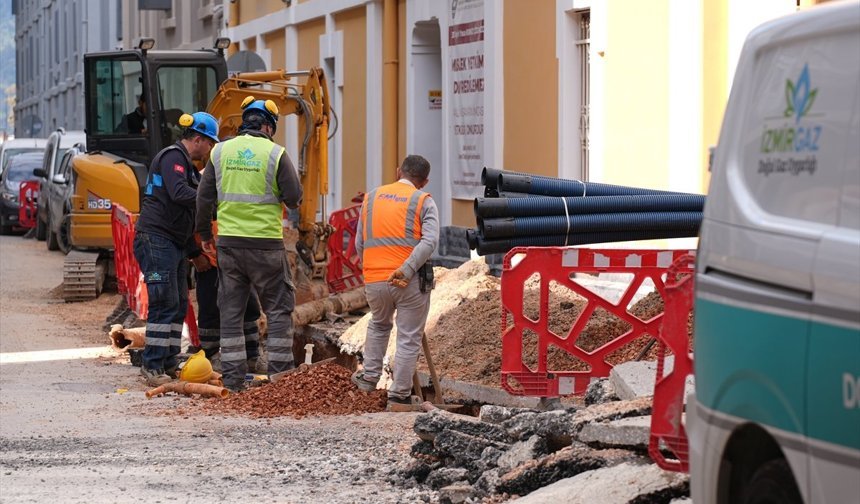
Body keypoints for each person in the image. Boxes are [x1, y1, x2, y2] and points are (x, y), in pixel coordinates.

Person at [196, 96, 302, 392]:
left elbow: (203, 199)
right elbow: (294, 198)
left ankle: (232, 381)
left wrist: (204, 235)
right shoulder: (276, 153)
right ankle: (280, 380)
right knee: (278, 310)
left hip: (229, 245)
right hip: (266, 246)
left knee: (231, 313)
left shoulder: (220, 152)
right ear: (268, 127)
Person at [133, 111, 220, 386]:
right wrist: (210, 199)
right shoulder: (173, 158)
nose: (210, 149)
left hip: (171, 242)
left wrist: (194, 253)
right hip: (156, 240)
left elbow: (182, 219)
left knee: (179, 303)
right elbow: (179, 193)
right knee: (164, 302)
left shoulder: (187, 166)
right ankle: (152, 365)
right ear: (198, 139)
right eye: (210, 143)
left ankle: (168, 361)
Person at [350, 155, 439, 409]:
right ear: (424, 181)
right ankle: (399, 395)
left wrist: (372, 269)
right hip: (408, 281)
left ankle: (369, 378)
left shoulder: (371, 198)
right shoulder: (423, 200)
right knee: (408, 337)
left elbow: (359, 242)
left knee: (379, 325)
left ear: (399, 171)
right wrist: (407, 269)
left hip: (375, 279)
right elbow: (430, 241)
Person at [193, 219, 267, 375]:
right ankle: (211, 355)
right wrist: (194, 254)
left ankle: (251, 355)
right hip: (210, 262)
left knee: (249, 307)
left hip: (239, 258)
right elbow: (187, 225)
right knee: (210, 309)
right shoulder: (200, 204)